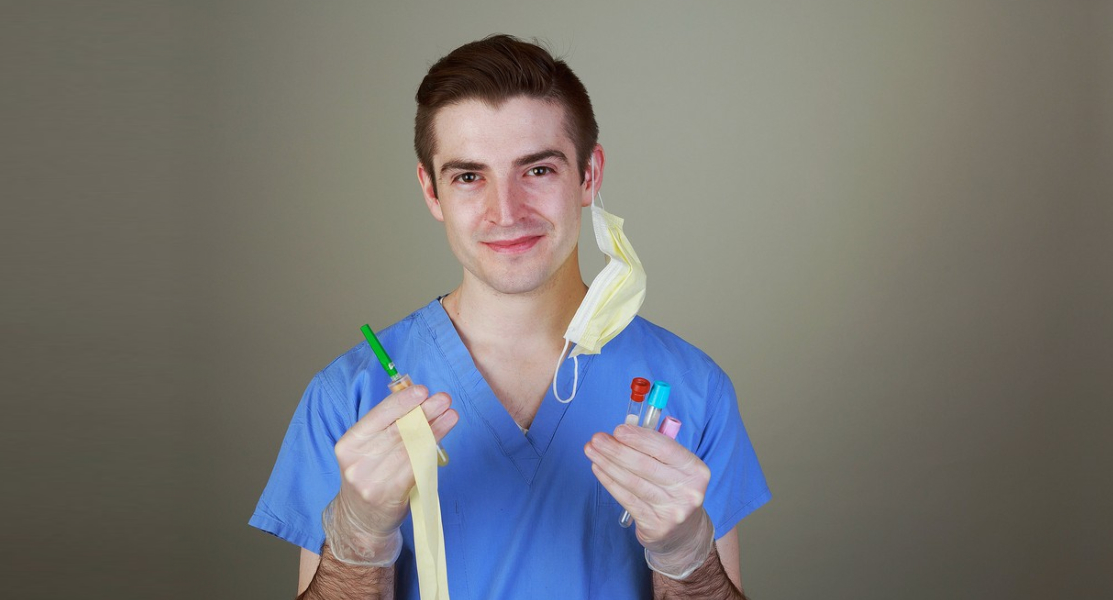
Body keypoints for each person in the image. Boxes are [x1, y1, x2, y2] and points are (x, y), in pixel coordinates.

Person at [250, 34, 770, 599]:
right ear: (432, 191)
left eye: (538, 171)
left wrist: (687, 560)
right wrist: (357, 541)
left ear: (589, 175)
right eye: (469, 176)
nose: (506, 211)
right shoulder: (347, 399)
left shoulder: (694, 392)